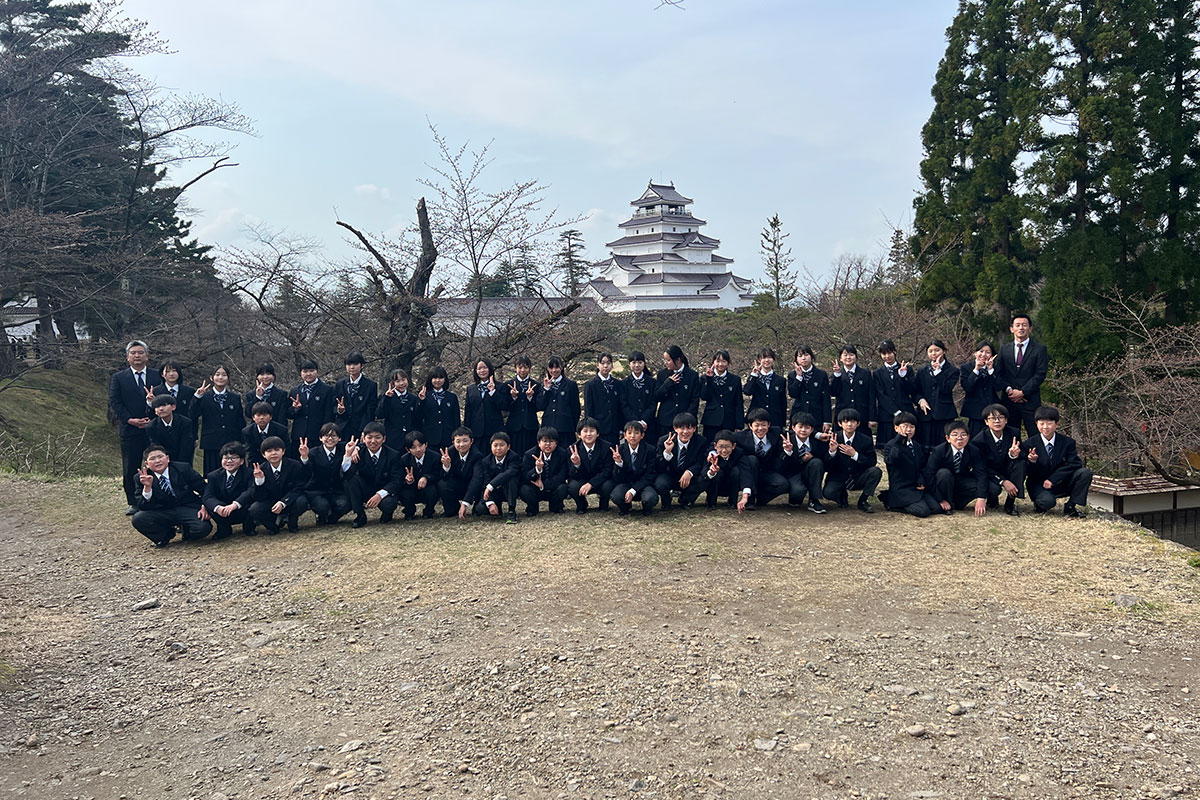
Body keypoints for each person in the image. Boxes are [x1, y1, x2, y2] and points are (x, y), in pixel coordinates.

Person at [109, 340, 161, 514]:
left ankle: (157, 497)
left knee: (157, 464)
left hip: (153, 427)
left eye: (140, 353)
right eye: (133, 353)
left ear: (147, 355)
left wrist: (153, 417)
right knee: (131, 466)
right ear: (127, 357)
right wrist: (130, 419)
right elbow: (115, 402)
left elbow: (163, 399)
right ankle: (133, 501)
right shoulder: (119, 378)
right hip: (130, 429)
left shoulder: (157, 375)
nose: (137, 356)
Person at [130, 444, 211, 548]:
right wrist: (147, 488)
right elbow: (142, 506)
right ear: (147, 464)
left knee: (203, 528)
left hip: (186, 506)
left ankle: (187, 530)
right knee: (138, 518)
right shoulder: (140, 478)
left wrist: (204, 506)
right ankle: (166, 535)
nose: (158, 461)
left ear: (167, 458)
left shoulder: (183, 468)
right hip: (161, 510)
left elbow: (204, 488)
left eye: (160, 457)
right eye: (153, 459)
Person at [1024, 406, 1092, 518]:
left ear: (1057, 424)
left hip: (1061, 481)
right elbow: (1027, 471)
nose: (1045, 427)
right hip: (1039, 484)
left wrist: (1053, 479)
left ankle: (1071, 506)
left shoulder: (1067, 442)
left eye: (1049, 423)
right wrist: (1032, 461)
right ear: (1036, 424)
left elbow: (1075, 464)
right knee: (1047, 502)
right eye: (1042, 423)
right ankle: (1039, 503)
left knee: (1085, 473)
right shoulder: (1029, 443)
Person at [994, 313, 1050, 437]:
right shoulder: (1004, 349)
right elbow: (998, 373)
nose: (1021, 328)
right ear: (1011, 329)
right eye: (1017, 325)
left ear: (1030, 328)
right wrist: (1009, 390)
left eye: (1024, 325)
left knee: (1035, 435)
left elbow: (1040, 374)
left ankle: (1033, 457)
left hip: (1030, 399)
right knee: (1010, 435)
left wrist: (1022, 392)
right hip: (1009, 400)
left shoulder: (1040, 349)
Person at [879, 412, 941, 518]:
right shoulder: (891, 445)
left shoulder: (916, 446)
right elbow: (891, 461)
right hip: (901, 488)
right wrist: (899, 442)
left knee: (936, 508)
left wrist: (921, 480)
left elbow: (922, 466)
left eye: (912, 426)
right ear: (896, 428)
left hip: (916, 487)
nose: (909, 429)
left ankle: (913, 501)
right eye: (905, 426)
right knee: (923, 512)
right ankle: (892, 502)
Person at [922, 420, 990, 516]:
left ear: (968, 437)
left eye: (963, 435)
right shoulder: (939, 451)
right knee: (944, 473)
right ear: (948, 438)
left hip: (961, 481)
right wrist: (940, 500)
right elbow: (929, 475)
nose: (959, 438)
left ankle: (958, 503)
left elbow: (981, 473)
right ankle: (947, 504)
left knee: (992, 488)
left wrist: (981, 498)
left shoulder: (974, 451)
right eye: (955, 435)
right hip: (943, 481)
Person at [822, 408, 882, 513]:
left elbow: (872, 462)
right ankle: (841, 496)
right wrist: (832, 452)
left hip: (857, 476)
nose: (849, 424)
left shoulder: (866, 440)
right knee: (828, 493)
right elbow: (826, 466)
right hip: (838, 477)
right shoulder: (833, 438)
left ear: (858, 423)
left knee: (876, 471)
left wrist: (855, 455)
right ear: (840, 423)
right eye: (845, 421)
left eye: (853, 421)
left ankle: (863, 501)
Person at [971, 403, 1026, 516]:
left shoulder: (1014, 433)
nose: (997, 421)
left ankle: (1010, 503)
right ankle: (992, 498)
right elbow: (982, 467)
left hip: (1007, 468)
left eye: (1000, 417)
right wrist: (1003, 481)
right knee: (994, 489)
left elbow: (1023, 455)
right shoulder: (979, 441)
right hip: (990, 472)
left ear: (1006, 420)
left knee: (1021, 464)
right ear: (986, 421)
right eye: (993, 418)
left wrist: (1013, 455)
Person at [343, 421, 400, 528]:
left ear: (384, 439)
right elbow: (346, 475)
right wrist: (348, 456)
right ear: (363, 438)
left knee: (389, 504)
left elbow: (396, 480)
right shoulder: (358, 453)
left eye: (377, 437)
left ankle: (387, 514)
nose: (373, 441)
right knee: (352, 480)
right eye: (369, 437)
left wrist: (380, 494)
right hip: (366, 488)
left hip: (384, 490)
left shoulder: (393, 455)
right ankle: (360, 515)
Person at [249, 436, 310, 534]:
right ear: (263, 455)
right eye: (269, 451)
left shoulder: (294, 465)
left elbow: (299, 487)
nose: (273, 453)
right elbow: (258, 497)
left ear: (283, 451)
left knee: (301, 501)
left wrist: (283, 502)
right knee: (255, 509)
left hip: (289, 500)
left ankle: (292, 522)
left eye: (277, 450)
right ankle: (273, 526)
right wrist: (259, 481)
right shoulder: (260, 469)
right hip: (271, 502)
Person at [193, 365, 245, 475]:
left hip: (231, 440)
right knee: (212, 473)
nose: (220, 377)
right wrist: (197, 397)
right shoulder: (204, 396)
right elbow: (192, 414)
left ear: (228, 378)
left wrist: (241, 441)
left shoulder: (235, 398)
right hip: (211, 442)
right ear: (211, 378)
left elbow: (240, 420)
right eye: (217, 374)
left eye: (224, 375)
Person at [653, 411, 709, 510]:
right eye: (682, 428)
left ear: (694, 429)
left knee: (704, 479)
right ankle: (666, 502)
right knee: (660, 483)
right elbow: (659, 467)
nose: (685, 432)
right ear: (675, 428)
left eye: (689, 428)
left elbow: (701, 462)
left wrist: (690, 472)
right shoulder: (664, 441)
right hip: (670, 475)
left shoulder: (701, 441)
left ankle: (686, 500)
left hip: (689, 477)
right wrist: (667, 452)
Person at [733, 408, 789, 507]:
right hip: (749, 472)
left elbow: (799, 432)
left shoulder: (776, 432)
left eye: (763, 425)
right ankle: (750, 500)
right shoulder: (739, 437)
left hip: (767, 471)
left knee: (783, 484)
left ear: (769, 424)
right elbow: (721, 439)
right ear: (750, 426)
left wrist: (818, 435)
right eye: (757, 425)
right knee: (751, 459)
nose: (760, 428)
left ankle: (761, 499)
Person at [202, 442, 255, 539]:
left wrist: (235, 504)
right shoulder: (213, 476)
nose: (229, 461)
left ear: (242, 461)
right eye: (226, 458)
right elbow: (208, 496)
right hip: (223, 510)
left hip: (241, 508)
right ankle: (224, 529)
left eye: (234, 458)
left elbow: (250, 491)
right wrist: (218, 507)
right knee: (211, 505)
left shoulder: (249, 473)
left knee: (252, 504)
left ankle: (249, 528)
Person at [302, 423, 351, 525]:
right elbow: (306, 473)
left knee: (346, 504)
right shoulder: (313, 453)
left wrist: (354, 451)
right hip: (317, 490)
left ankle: (332, 517)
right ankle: (322, 515)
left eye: (334, 436)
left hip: (337, 490)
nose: (330, 439)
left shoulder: (343, 450)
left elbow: (359, 445)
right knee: (322, 506)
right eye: (326, 436)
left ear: (339, 438)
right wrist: (304, 458)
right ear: (320, 438)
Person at [465, 432, 520, 522]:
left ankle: (511, 510)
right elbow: (485, 482)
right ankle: (496, 507)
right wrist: (490, 503)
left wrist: (491, 485)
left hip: (510, 490)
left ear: (508, 446)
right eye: (495, 445)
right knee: (480, 509)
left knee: (511, 479)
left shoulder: (514, 457)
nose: (498, 448)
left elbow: (510, 472)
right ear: (491, 447)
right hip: (494, 492)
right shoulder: (486, 461)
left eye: (502, 445)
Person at [913, 339, 959, 448]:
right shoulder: (922, 370)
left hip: (944, 415)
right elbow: (915, 391)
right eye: (930, 351)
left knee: (943, 446)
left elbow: (946, 389)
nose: (934, 353)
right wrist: (920, 400)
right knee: (924, 446)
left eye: (937, 350)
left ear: (944, 351)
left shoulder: (953, 370)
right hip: (925, 415)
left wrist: (938, 372)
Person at [779, 412, 827, 513]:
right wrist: (788, 452)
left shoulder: (817, 441)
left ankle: (814, 500)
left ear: (812, 430)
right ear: (793, 427)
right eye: (800, 427)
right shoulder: (787, 440)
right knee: (797, 494)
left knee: (816, 462)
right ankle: (795, 496)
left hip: (810, 472)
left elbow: (824, 460)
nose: (803, 430)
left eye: (807, 427)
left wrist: (813, 457)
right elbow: (781, 464)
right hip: (792, 474)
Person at [610, 419, 658, 516]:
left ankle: (647, 509)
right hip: (626, 483)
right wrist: (618, 463)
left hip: (644, 484)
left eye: (636, 433)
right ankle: (625, 507)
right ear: (625, 435)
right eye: (629, 433)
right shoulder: (620, 450)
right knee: (616, 495)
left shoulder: (650, 450)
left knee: (651, 498)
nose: (632, 436)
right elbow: (616, 478)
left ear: (642, 435)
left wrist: (633, 490)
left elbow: (650, 474)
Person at [518, 426, 570, 516]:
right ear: (539, 442)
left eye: (551, 441)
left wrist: (544, 485)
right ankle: (532, 507)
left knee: (563, 488)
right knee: (524, 489)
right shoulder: (530, 454)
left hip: (553, 487)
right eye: (545, 441)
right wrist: (537, 469)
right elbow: (524, 476)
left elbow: (562, 475)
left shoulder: (562, 454)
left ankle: (556, 506)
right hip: (535, 488)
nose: (548, 444)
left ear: (556, 443)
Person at [288, 359, 335, 458]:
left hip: (317, 434)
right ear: (301, 373)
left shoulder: (327, 389)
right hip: (299, 435)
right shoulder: (295, 390)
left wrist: (325, 433)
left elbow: (328, 414)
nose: (308, 374)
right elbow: (288, 414)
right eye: (305, 371)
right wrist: (295, 409)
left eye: (311, 371)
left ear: (317, 372)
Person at [567, 418, 614, 514]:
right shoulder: (572, 449)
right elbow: (571, 475)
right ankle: (581, 505)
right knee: (572, 486)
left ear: (598, 433)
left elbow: (607, 471)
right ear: (579, 435)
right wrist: (577, 464)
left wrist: (591, 484)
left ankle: (604, 504)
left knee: (608, 484)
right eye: (585, 431)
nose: (589, 434)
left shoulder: (606, 447)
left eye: (592, 431)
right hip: (582, 480)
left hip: (600, 481)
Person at [872, 340, 914, 446]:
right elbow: (880, 394)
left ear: (895, 352)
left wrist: (903, 376)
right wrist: (895, 411)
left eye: (889, 353)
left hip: (906, 413)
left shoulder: (907, 369)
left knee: (907, 445)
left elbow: (912, 390)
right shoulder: (877, 373)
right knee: (887, 447)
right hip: (886, 415)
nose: (887, 356)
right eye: (884, 354)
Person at [654, 345, 701, 435]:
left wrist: (687, 419)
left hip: (685, 422)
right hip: (666, 421)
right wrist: (667, 384)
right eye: (665, 360)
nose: (666, 363)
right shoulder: (662, 374)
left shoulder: (692, 375)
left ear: (678, 360)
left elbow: (695, 400)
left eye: (668, 360)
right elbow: (657, 397)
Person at [438, 426, 483, 519]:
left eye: (465, 440)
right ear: (453, 442)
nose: (461, 445)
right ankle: (452, 509)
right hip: (457, 485)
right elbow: (443, 477)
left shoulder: (477, 455)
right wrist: (446, 466)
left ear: (472, 441)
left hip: (472, 486)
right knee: (442, 484)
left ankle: (476, 508)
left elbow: (477, 479)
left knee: (481, 510)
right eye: (458, 441)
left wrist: (465, 503)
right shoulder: (449, 452)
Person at [699, 350, 744, 440]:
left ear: (728, 363)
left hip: (729, 421)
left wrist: (739, 425)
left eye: (724, 361)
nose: (720, 364)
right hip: (711, 420)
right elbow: (704, 396)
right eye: (718, 361)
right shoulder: (705, 378)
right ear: (713, 362)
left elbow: (738, 402)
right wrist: (709, 379)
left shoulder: (735, 380)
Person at [703, 431, 753, 513]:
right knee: (717, 473)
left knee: (736, 471)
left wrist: (745, 496)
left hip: (731, 485)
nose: (724, 450)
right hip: (715, 485)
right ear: (715, 446)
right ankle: (711, 503)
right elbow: (703, 474)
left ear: (734, 446)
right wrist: (711, 472)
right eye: (721, 446)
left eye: (727, 447)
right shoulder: (711, 456)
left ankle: (733, 502)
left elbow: (746, 472)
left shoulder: (739, 453)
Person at [334, 352, 378, 440]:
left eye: (355, 364)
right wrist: (340, 410)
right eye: (349, 364)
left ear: (362, 365)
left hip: (360, 428)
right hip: (342, 428)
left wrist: (365, 430)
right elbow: (333, 405)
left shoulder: (371, 385)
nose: (352, 367)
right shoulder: (340, 384)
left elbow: (370, 410)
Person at [463, 359, 508, 445]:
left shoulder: (500, 387)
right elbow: (468, 411)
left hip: (494, 430)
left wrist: (493, 392)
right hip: (476, 431)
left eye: (484, 368)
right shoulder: (471, 389)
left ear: (490, 369)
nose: (482, 371)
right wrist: (467, 432)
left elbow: (504, 406)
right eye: (479, 368)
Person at [787, 346, 830, 435]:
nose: (803, 358)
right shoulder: (792, 374)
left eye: (806, 355)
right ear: (796, 359)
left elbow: (826, 398)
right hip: (798, 414)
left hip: (816, 414)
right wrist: (798, 377)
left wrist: (827, 420)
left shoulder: (821, 374)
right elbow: (793, 394)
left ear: (811, 356)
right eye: (800, 356)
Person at [398, 430, 439, 519]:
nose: (418, 450)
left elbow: (438, 475)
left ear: (426, 444)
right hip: (411, 489)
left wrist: (426, 477)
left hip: (427, 488)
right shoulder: (404, 459)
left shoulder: (435, 457)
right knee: (404, 492)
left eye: (420, 445)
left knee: (432, 490)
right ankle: (409, 512)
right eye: (413, 447)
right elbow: (399, 477)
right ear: (407, 449)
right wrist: (408, 480)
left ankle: (429, 511)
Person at [960, 341, 998, 437]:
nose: (984, 354)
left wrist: (990, 370)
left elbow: (998, 386)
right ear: (975, 353)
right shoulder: (966, 368)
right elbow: (967, 387)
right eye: (981, 351)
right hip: (974, 411)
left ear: (992, 355)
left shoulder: (996, 368)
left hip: (992, 410)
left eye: (988, 352)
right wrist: (976, 369)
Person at [829, 344, 875, 427]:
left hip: (862, 415)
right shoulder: (836, 375)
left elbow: (871, 396)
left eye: (851, 354)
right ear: (840, 358)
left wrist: (872, 418)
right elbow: (833, 392)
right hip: (842, 417)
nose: (848, 357)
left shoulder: (865, 374)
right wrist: (837, 375)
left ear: (856, 357)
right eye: (845, 355)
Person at [505, 356, 541, 457]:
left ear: (529, 368)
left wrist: (530, 398)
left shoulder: (536, 385)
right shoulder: (508, 385)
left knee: (530, 454)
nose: (522, 370)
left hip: (530, 425)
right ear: (515, 368)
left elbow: (539, 406)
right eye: (519, 367)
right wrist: (513, 397)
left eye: (525, 367)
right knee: (514, 454)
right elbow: (505, 407)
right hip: (513, 426)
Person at [743, 347, 788, 428]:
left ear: (773, 359)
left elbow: (783, 402)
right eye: (764, 358)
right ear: (759, 360)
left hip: (775, 419)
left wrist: (783, 423)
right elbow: (747, 391)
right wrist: (754, 375)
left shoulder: (781, 380)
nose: (767, 360)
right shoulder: (754, 378)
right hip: (756, 419)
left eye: (769, 357)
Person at [417, 366, 459, 451]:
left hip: (447, 438)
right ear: (430, 379)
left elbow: (456, 419)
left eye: (441, 378)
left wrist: (456, 437)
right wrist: (422, 401)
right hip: (430, 438)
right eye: (435, 378)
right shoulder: (424, 396)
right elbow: (418, 416)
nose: (438, 380)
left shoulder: (452, 397)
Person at [583, 354, 622, 446]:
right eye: (602, 363)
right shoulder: (590, 384)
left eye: (608, 363)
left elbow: (620, 407)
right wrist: (591, 429)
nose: (605, 366)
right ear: (597, 365)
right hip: (599, 427)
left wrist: (621, 427)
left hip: (614, 428)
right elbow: (589, 408)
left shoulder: (617, 384)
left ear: (612, 365)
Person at [151, 360, 196, 438]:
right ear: (162, 374)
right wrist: (150, 402)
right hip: (162, 433)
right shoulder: (155, 391)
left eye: (174, 371)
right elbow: (151, 414)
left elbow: (193, 413)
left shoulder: (189, 391)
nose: (171, 374)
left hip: (185, 433)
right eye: (168, 371)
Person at [147, 393, 195, 466]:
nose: (161, 409)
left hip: (184, 460)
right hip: (164, 461)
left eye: (164, 405)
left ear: (173, 407)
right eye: (157, 407)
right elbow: (156, 446)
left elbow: (187, 445)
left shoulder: (185, 422)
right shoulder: (151, 426)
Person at [375, 368, 419, 447]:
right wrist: (387, 398)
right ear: (392, 383)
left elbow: (417, 417)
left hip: (410, 438)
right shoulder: (386, 397)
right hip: (393, 438)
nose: (401, 383)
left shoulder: (413, 398)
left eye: (403, 380)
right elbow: (380, 414)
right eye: (398, 381)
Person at [538, 356, 580, 437]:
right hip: (548, 427)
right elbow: (540, 406)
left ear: (561, 367)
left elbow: (576, 409)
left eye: (556, 367)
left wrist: (573, 426)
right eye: (551, 367)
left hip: (565, 427)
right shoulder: (544, 385)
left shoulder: (570, 385)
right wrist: (546, 389)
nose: (554, 370)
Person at [620, 350, 657, 442]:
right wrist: (636, 422)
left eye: (640, 362)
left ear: (644, 364)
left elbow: (653, 403)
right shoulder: (623, 384)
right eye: (634, 362)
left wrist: (644, 421)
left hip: (649, 425)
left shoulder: (652, 382)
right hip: (630, 426)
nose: (637, 365)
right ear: (629, 364)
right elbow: (624, 405)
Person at [242, 402, 288, 466]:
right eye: (258, 415)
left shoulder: (281, 430)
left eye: (265, 415)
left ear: (270, 416)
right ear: (253, 417)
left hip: (277, 462)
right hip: (258, 462)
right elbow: (251, 453)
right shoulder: (247, 431)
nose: (261, 418)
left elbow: (286, 450)